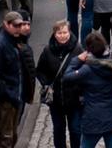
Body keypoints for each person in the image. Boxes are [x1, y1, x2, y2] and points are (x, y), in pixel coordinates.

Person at [62, 31, 112, 148]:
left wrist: (77, 60)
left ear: (89, 49)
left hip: (93, 119)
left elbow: (67, 77)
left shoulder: (87, 70)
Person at [0, 10, 32, 148]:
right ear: (6, 24)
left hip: (14, 98)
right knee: (6, 139)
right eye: (15, 26)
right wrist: (7, 95)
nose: (19, 29)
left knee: (12, 137)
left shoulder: (14, 41)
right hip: (6, 102)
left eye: (20, 25)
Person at [37, 19, 79, 148]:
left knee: (76, 130)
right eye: (59, 33)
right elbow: (39, 71)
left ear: (69, 32)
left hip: (74, 99)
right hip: (56, 100)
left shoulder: (78, 49)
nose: (62, 36)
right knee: (59, 130)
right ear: (54, 34)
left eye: (65, 32)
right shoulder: (48, 51)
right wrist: (46, 83)